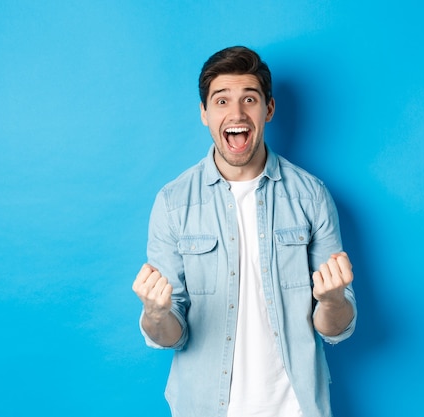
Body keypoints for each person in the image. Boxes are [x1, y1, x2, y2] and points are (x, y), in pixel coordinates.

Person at [132, 46, 357, 417]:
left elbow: (334, 328)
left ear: (268, 109)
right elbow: (173, 335)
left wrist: (332, 301)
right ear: (204, 113)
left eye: (249, 99)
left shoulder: (311, 196)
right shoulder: (172, 203)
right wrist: (156, 315)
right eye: (221, 101)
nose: (236, 113)